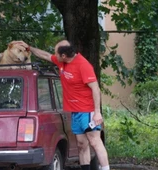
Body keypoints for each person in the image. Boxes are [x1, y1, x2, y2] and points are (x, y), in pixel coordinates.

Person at [16, 40, 110, 170]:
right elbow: (45, 55)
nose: (54, 55)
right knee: (81, 144)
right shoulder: (61, 61)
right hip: (75, 111)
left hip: (87, 111)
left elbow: (95, 88)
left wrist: (97, 112)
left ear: (64, 55)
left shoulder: (83, 65)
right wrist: (30, 48)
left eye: (56, 52)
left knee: (95, 141)